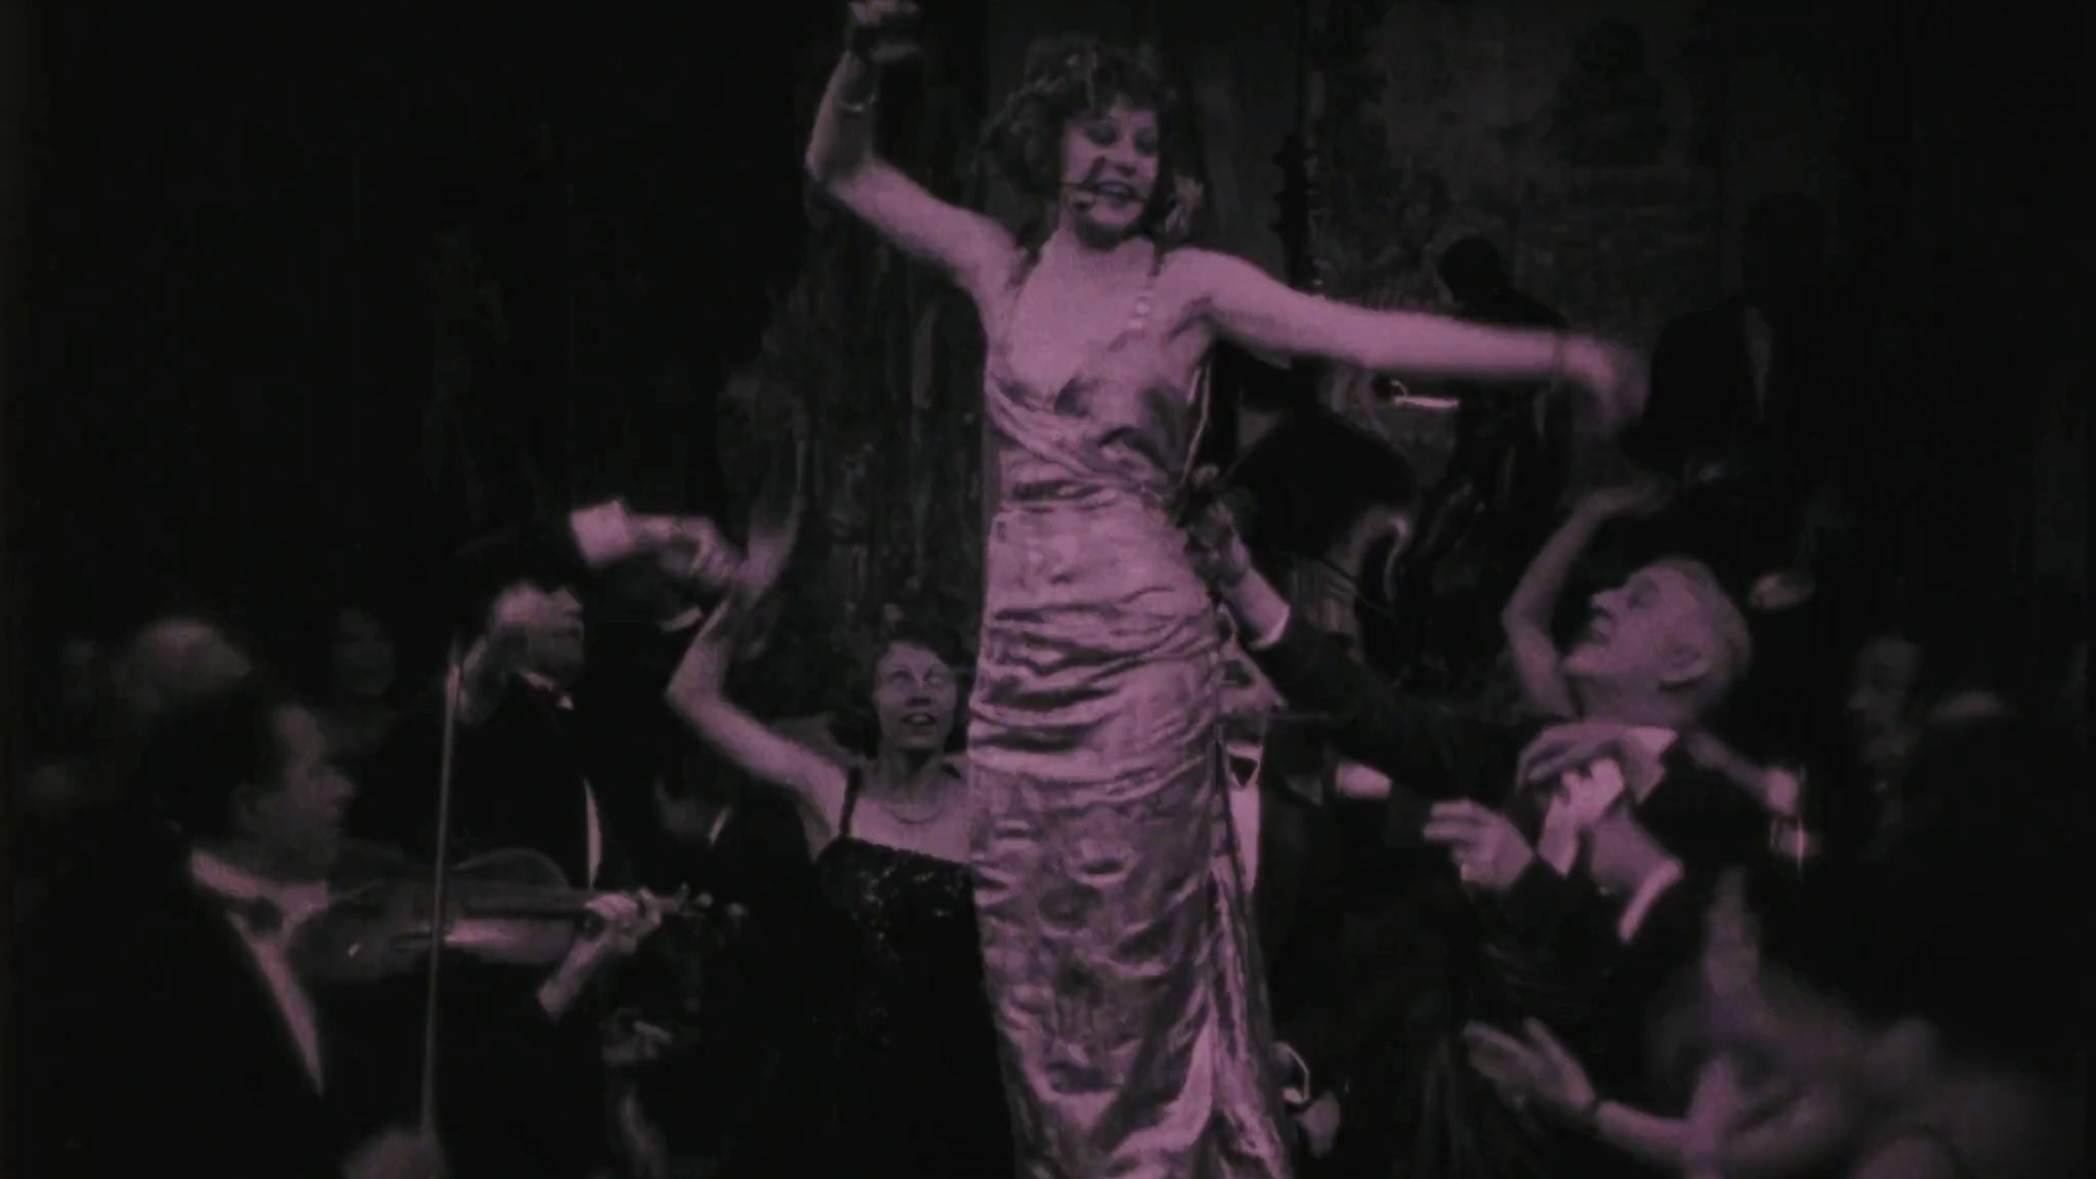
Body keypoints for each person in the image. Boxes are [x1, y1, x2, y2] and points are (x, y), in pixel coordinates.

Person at [806, 5, 1647, 1173]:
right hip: (1018, 687)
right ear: (1052, 144)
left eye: (1144, 144)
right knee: (1038, 969)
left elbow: (1359, 336)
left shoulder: (1187, 286)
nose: (1121, 161)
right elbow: (840, 169)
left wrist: (1553, 354)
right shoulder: (998, 269)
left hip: (1142, 670)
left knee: (1140, 964)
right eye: (1100, 135)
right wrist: (859, 51)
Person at [1188, 489, 1768, 1178]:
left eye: (1638, 600)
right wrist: (1244, 585)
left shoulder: (1714, 817)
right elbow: (1381, 717)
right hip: (1429, 1127)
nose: (1601, 600)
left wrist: (1526, 884)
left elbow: (1649, 999)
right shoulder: (1531, 749)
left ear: (1684, 663)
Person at [15, 671, 448, 1179]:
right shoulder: (156, 959)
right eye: (318, 773)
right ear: (251, 808)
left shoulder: (303, 924)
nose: (345, 789)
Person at [666, 609, 1011, 1178]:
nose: (920, 693)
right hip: (836, 1093)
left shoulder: (991, 802)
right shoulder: (828, 793)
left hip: (955, 1096)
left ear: (959, 698)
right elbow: (691, 695)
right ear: (868, 699)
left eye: (936, 678)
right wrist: (747, 591)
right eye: (899, 678)